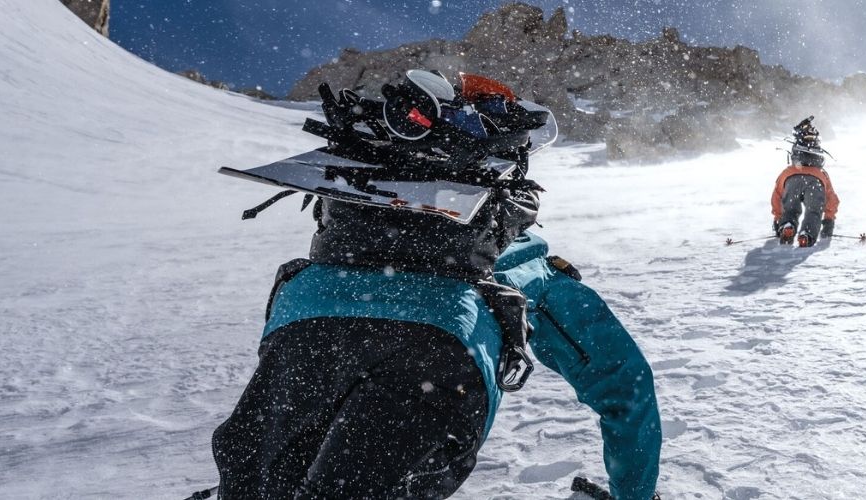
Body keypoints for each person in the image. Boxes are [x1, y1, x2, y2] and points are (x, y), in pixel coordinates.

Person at [210, 70, 661, 500]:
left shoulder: (361, 216)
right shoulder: (520, 255)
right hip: (437, 347)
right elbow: (624, 381)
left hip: (304, 331)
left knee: (255, 479)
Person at [771, 117, 841, 247]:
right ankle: (806, 235)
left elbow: (777, 195)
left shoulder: (787, 172)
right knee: (813, 211)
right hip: (816, 181)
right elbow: (832, 199)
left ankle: (788, 226)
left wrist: (777, 219)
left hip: (791, 180)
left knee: (790, 209)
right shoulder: (822, 174)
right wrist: (828, 222)